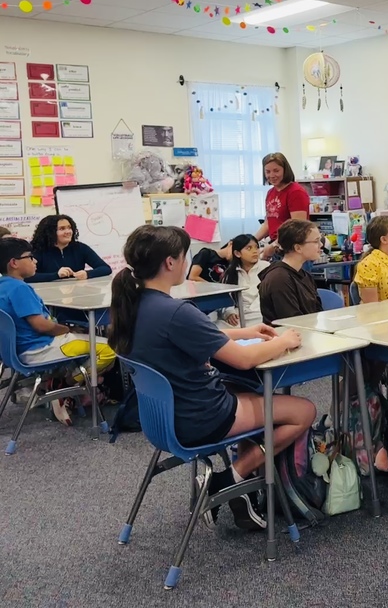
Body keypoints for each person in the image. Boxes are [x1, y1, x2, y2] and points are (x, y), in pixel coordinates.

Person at [108, 225, 312, 531]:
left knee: (250, 395)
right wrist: (283, 341)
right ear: (170, 262)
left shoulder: (134, 305)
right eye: (184, 255)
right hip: (201, 417)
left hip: (162, 419)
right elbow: (244, 360)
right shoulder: (176, 311)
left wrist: (244, 332)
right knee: (303, 411)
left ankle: (243, 488)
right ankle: (229, 479)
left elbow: (194, 335)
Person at [0, 237, 116, 425]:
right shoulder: (20, 289)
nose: (35, 261)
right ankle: (63, 386)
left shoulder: (3, 285)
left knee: (83, 337)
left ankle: (61, 381)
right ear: (14, 263)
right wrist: (66, 329)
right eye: (30, 257)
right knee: (110, 348)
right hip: (41, 348)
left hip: (20, 350)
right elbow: (41, 325)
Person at [257, 219, 323, 325]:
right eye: (316, 241)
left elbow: (317, 312)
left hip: (308, 331)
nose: (321, 245)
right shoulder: (279, 279)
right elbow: (292, 321)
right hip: (285, 333)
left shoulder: (304, 275)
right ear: (298, 248)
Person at [254, 152, 310, 261]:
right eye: (268, 172)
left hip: (293, 250)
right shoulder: (271, 193)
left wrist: (274, 245)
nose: (272, 175)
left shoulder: (296, 192)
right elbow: (268, 224)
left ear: (285, 170)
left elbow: (297, 227)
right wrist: (251, 240)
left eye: (276, 171)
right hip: (278, 247)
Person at [26, 214, 112, 283]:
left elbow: (105, 268)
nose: (68, 232)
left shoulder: (80, 248)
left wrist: (87, 274)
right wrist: (56, 275)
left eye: (69, 228)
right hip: (46, 294)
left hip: (77, 293)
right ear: (49, 232)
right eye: (62, 229)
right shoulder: (36, 250)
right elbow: (26, 277)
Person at [220, 234, 269, 328]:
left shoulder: (267, 267)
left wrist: (251, 311)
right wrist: (229, 313)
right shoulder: (230, 273)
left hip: (259, 313)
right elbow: (226, 298)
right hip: (239, 315)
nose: (255, 251)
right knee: (217, 326)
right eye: (249, 248)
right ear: (237, 253)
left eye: (256, 247)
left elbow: (268, 296)